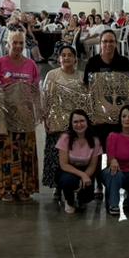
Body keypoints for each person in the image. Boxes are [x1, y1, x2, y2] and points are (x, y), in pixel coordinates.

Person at [0, 31, 41, 202]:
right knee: (6, 152)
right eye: (15, 43)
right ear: (8, 44)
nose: (18, 46)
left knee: (26, 152)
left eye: (21, 43)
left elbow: (36, 92)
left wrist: (38, 113)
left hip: (25, 117)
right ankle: (6, 188)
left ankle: (24, 188)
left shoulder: (31, 65)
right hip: (5, 118)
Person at [42, 45, 85, 204]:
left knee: (74, 157)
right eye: (63, 55)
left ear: (75, 58)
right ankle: (57, 187)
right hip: (56, 122)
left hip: (76, 124)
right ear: (59, 58)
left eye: (69, 55)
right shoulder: (52, 75)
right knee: (55, 156)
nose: (66, 58)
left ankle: (73, 186)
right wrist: (46, 118)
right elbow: (45, 97)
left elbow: (86, 100)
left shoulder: (81, 76)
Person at [56, 110, 101, 213]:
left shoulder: (95, 140)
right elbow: (64, 164)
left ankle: (81, 199)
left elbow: (93, 165)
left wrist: (85, 176)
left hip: (86, 170)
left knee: (87, 198)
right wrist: (82, 175)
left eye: (82, 121)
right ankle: (69, 200)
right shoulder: (65, 138)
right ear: (71, 124)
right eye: (75, 122)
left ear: (87, 122)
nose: (79, 124)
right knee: (68, 180)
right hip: (68, 170)